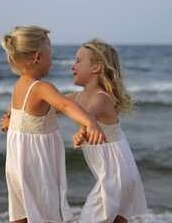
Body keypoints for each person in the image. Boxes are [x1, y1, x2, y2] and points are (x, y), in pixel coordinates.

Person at [0, 25, 106, 223]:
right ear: (38, 57)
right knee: (45, 210)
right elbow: (65, 105)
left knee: (21, 210)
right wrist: (89, 122)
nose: (52, 58)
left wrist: (9, 121)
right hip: (36, 161)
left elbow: (15, 110)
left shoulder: (19, 85)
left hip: (16, 160)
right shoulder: (41, 87)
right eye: (50, 53)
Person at [69, 38, 148, 223]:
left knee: (90, 219)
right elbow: (52, 104)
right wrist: (13, 113)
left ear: (96, 67)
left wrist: (82, 129)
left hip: (116, 173)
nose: (73, 66)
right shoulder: (76, 97)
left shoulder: (102, 98)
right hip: (114, 173)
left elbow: (91, 115)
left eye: (79, 61)